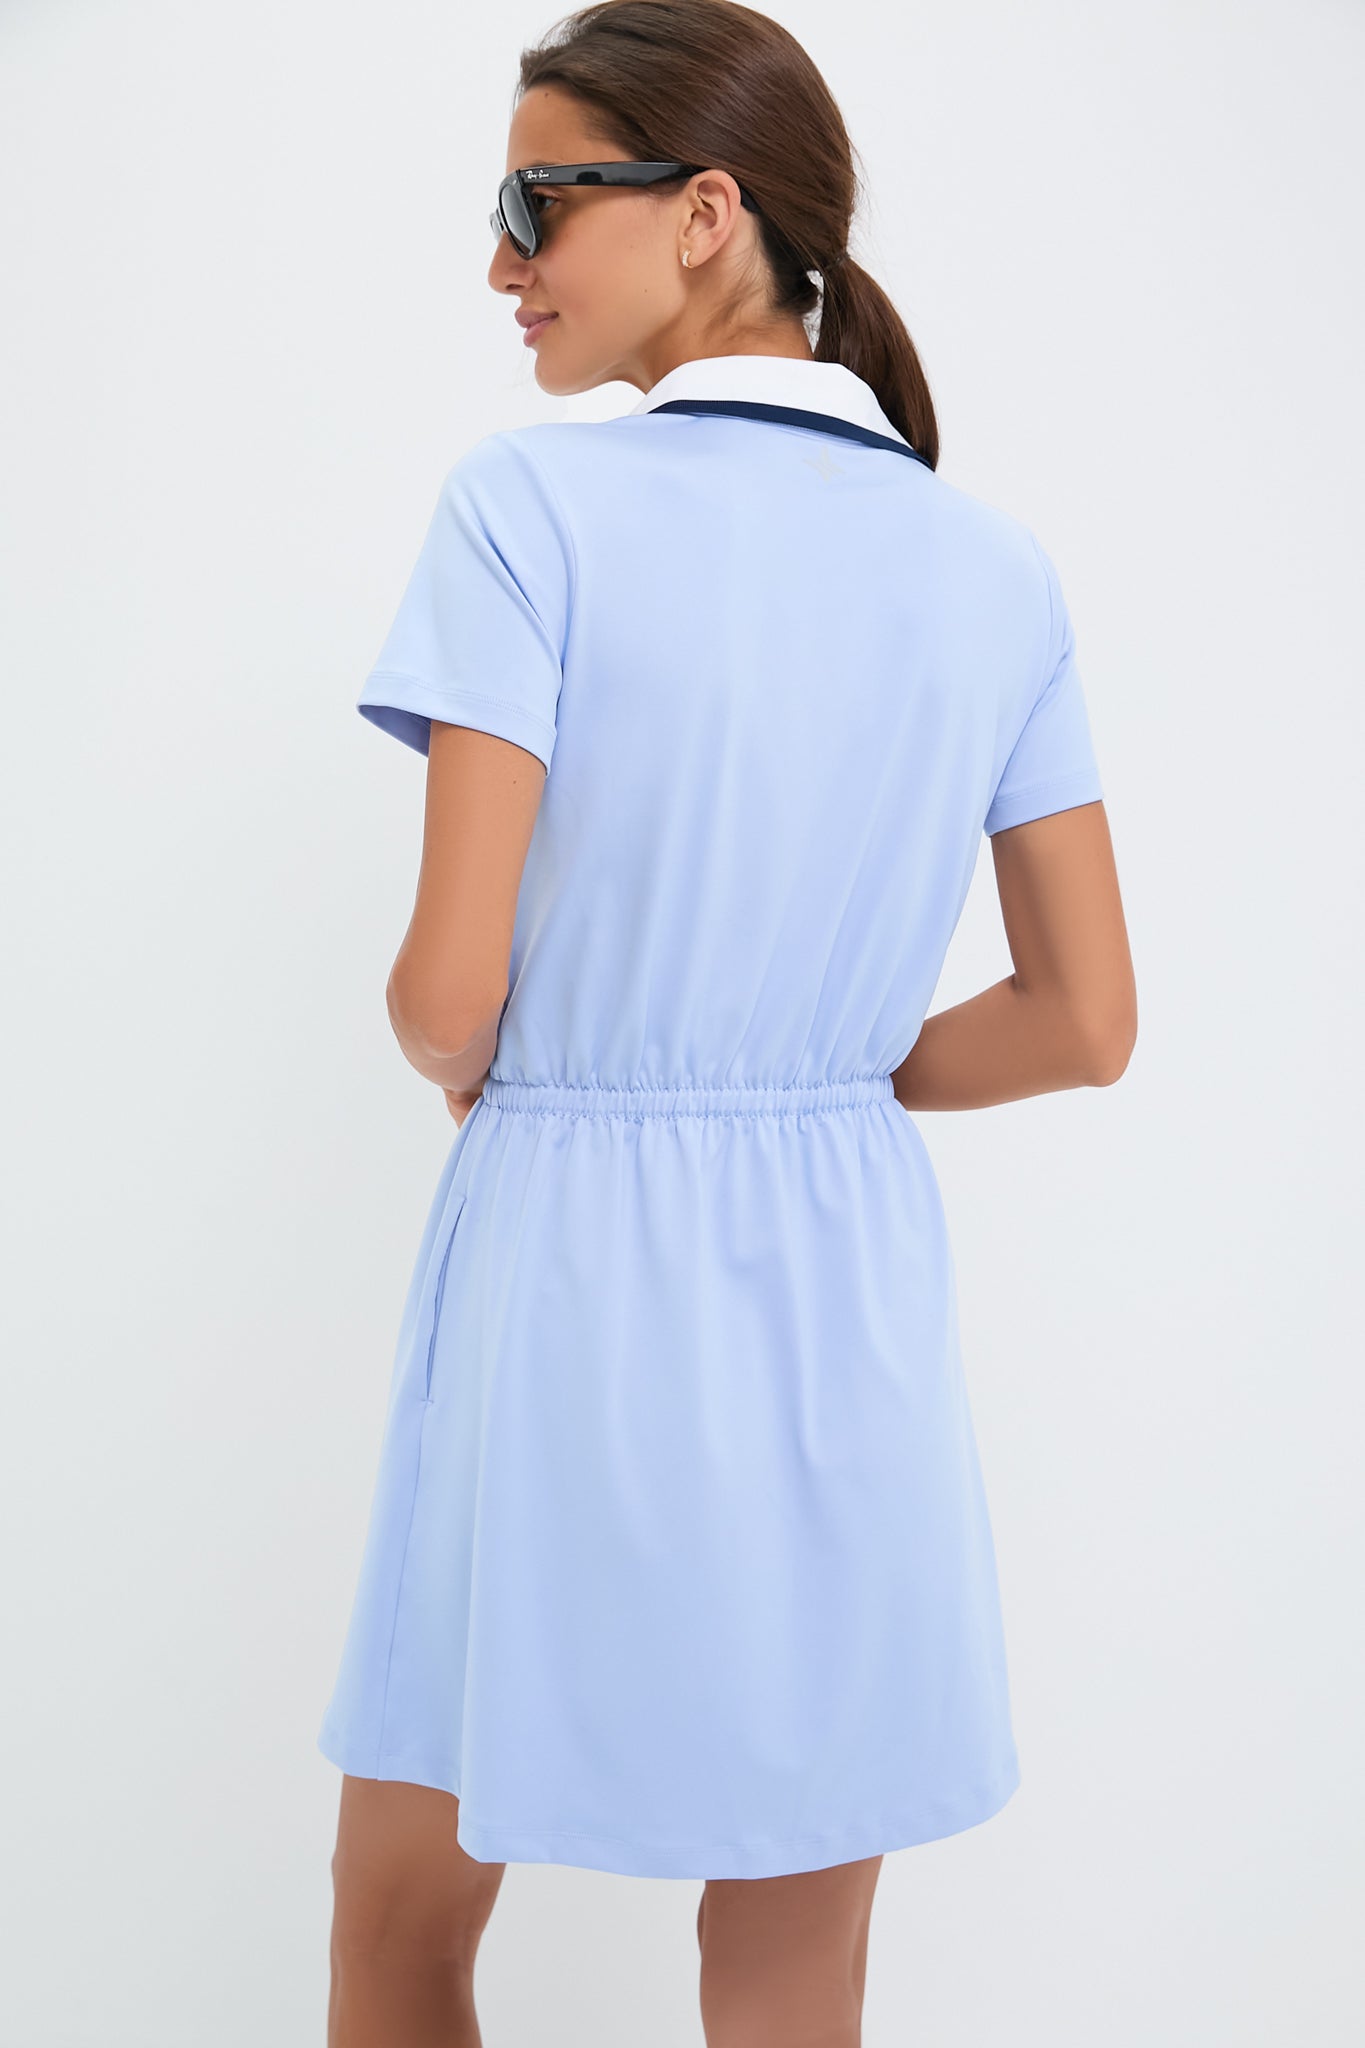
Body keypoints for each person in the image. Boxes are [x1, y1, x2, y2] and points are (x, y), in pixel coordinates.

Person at [319, 3, 1137, 2041]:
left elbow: (445, 990)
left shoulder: (526, 511)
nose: (499, 263)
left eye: (536, 203)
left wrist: (496, 1067)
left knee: (402, 1907)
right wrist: (822, 1070)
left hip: (563, 1258)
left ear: (704, 212)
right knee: (787, 1946)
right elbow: (1083, 1018)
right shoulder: (992, 569)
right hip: (839, 1268)